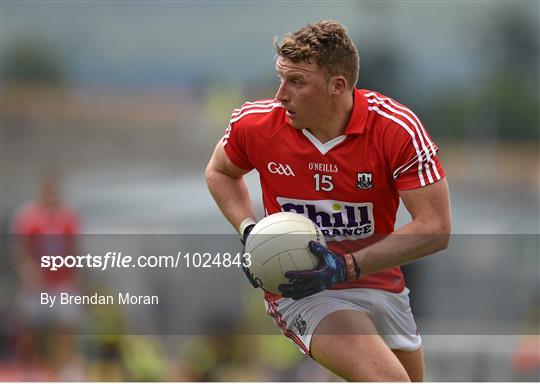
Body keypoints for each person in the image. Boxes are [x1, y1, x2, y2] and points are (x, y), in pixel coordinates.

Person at [205, 20, 451, 382]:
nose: (280, 95)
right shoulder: (256, 124)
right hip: (303, 292)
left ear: (337, 86)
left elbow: (436, 229)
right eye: (281, 77)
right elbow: (220, 171)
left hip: (379, 284)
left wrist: (346, 266)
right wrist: (250, 231)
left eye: (297, 82)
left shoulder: (396, 129)